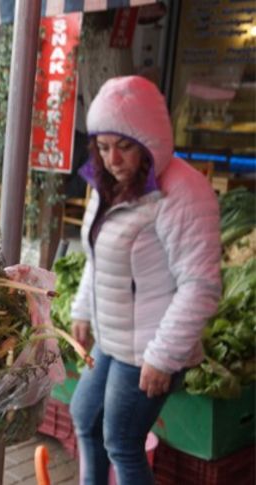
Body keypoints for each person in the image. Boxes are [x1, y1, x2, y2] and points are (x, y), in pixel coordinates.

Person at [68, 76, 221, 485]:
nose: (113, 158)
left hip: (151, 347)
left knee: (121, 442)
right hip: (114, 337)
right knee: (84, 416)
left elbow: (200, 285)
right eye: (103, 147)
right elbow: (97, 256)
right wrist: (82, 309)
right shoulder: (109, 185)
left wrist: (162, 357)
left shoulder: (184, 191)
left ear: (148, 139)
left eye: (125, 146)